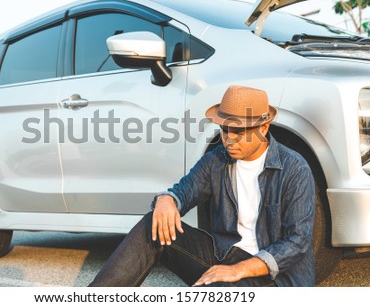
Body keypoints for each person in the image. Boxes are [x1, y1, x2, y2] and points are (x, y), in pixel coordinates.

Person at [89, 85, 315, 287]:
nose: (229, 139)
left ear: (263, 127)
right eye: (225, 129)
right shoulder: (216, 160)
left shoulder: (294, 169)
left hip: (273, 278)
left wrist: (238, 270)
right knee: (153, 225)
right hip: (223, 255)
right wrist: (166, 200)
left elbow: (297, 241)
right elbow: (183, 192)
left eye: (239, 131)